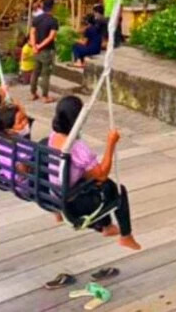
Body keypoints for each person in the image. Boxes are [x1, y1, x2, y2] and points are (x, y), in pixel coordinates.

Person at [48, 96, 140, 249]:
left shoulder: (54, 136)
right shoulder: (75, 147)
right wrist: (110, 144)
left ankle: (106, 226)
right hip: (73, 203)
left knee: (103, 185)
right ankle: (126, 236)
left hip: (55, 193)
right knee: (117, 190)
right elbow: (102, 174)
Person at [29, 0, 59, 103]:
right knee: (45, 74)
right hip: (47, 50)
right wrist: (40, 46)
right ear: (53, 7)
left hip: (36, 50)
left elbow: (32, 33)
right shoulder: (53, 21)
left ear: (42, 6)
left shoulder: (37, 19)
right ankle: (44, 96)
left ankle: (33, 93)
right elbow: (51, 37)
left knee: (35, 72)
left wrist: (34, 46)